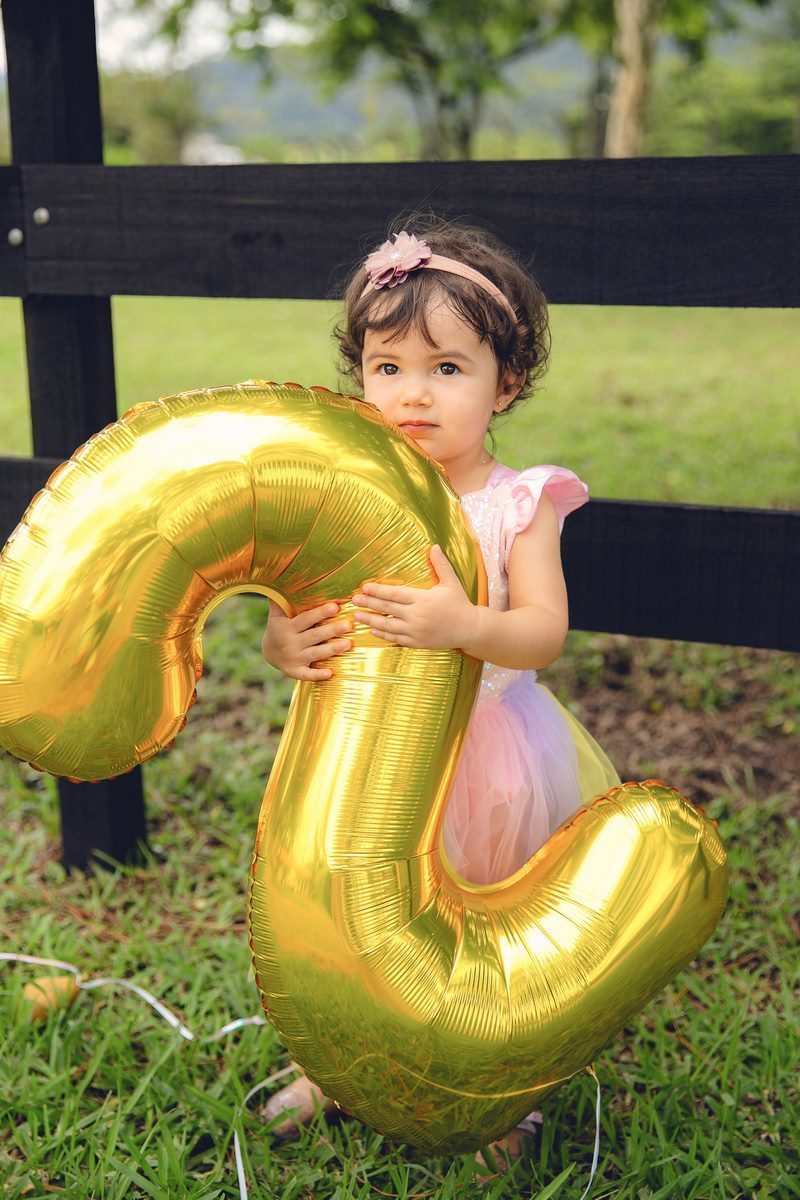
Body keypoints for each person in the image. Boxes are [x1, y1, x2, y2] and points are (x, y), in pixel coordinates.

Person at [259, 215, 619, 1166]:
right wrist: (285, 639)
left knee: (480, 928)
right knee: (344, 917)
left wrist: (466, 627)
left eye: (447, 370)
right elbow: (297, 606)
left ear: (506, 384)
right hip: (358, 753)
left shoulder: (516, 502)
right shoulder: (347, 493)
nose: (413, 394)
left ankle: (495, 1090)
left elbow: (543, 629)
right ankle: (340, 1063)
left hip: (486, 754)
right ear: (361, 380)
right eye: (388, 369)